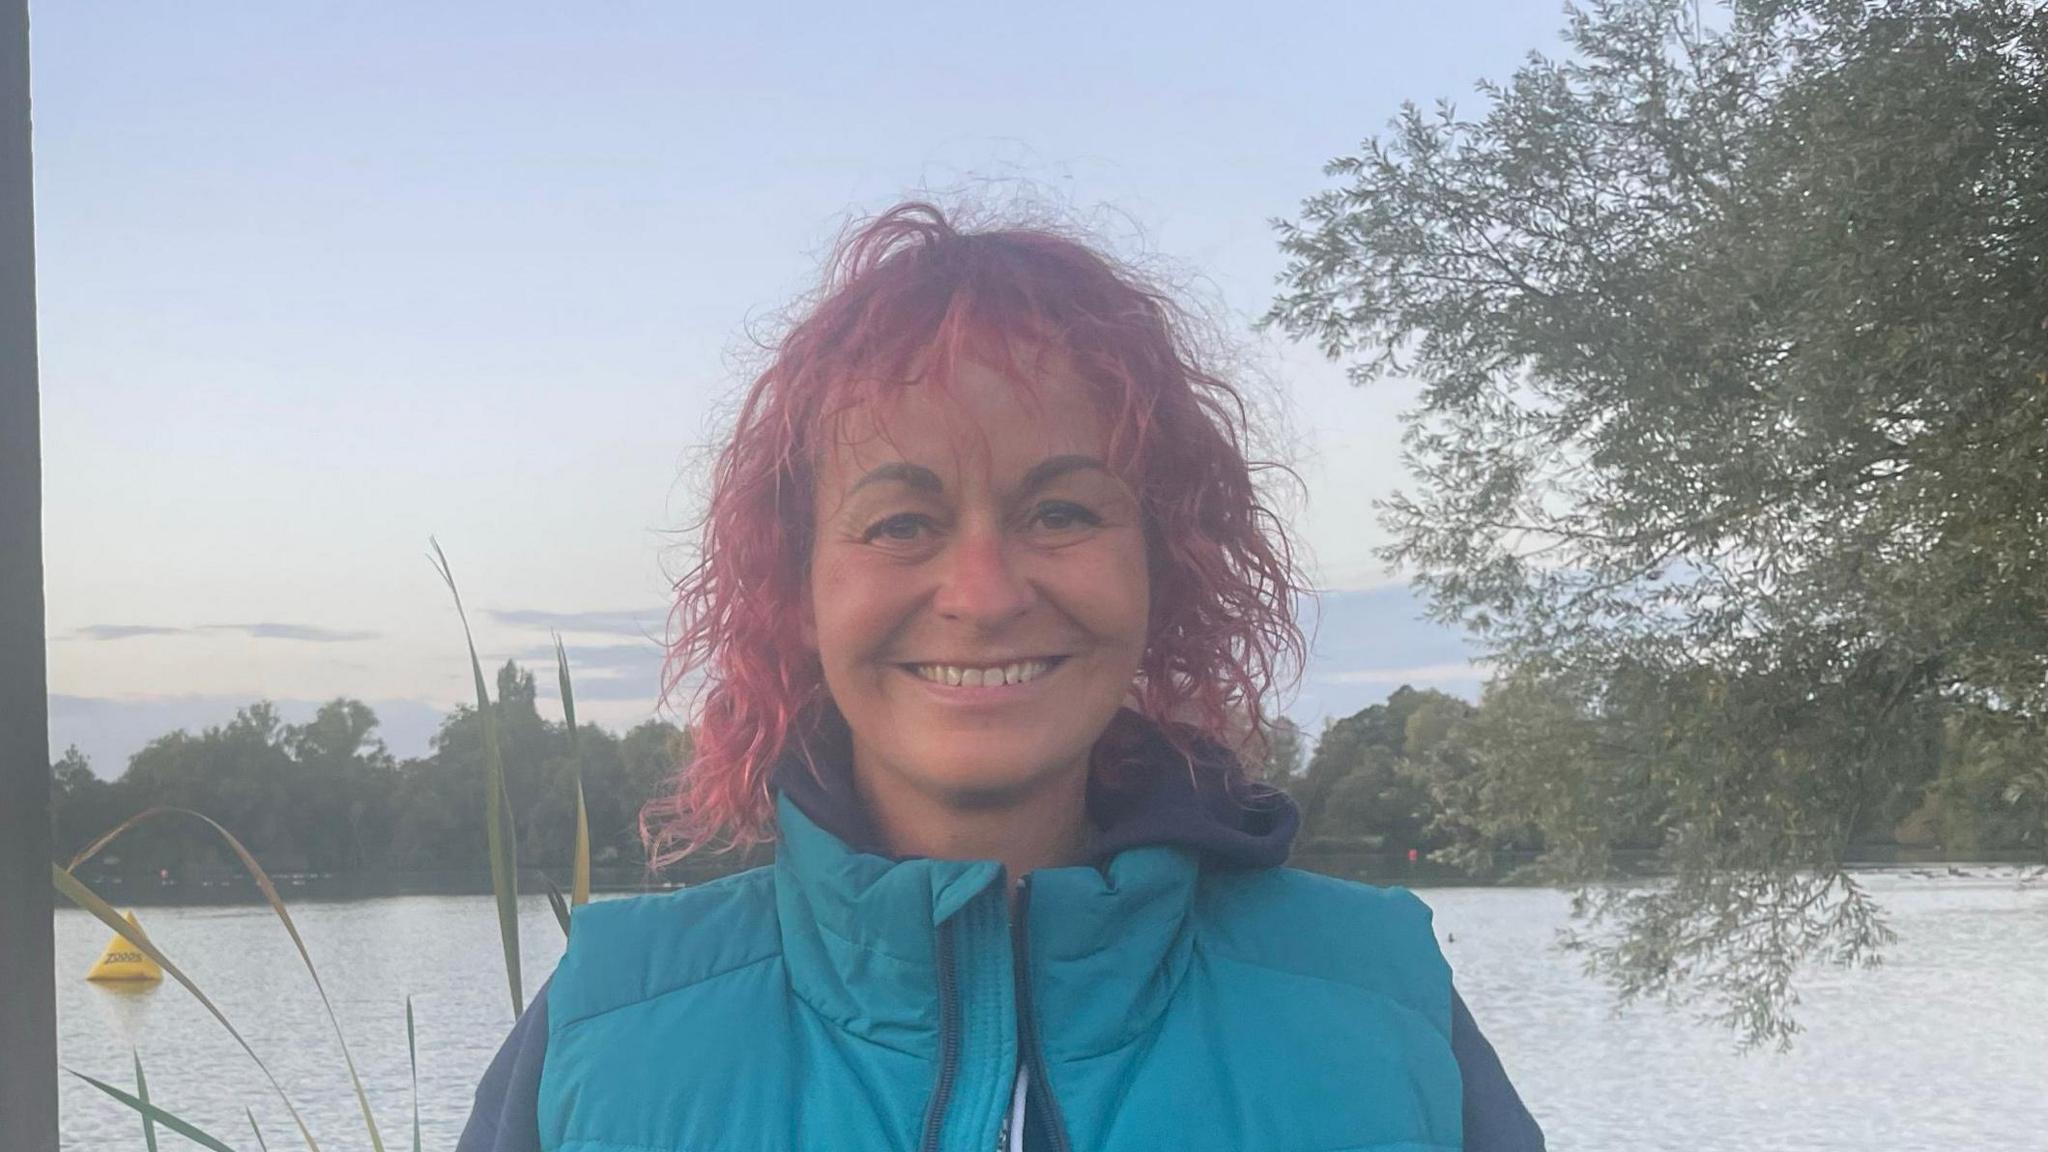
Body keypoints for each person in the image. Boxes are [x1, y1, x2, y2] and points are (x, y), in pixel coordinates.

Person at [457, 203, 1544, 1152]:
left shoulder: (1379, 1003)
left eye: (1060, 511)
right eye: (899, 523)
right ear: (796, 588)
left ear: (1161, 565)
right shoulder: (606, 1023)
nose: (981, 594)